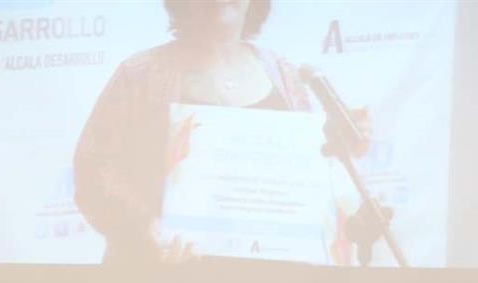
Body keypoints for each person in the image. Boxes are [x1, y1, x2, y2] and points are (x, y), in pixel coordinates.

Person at [74, 0, 371, 265]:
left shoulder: (284, 74)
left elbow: (310, 173)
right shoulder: (140, 75)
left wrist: (340, 146)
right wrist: (145, 228)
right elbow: (93, 171)